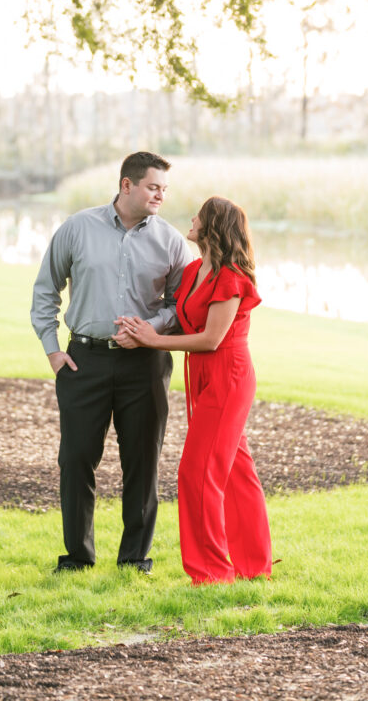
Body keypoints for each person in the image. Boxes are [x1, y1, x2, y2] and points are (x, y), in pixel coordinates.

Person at [31, 151, 189, 574]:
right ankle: (77, 558)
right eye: (153, 187)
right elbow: (46, 289)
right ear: (126, 186)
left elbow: (182, 305)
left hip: (146, 365)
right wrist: (53, 350)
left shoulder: (171, 240)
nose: (160, 195)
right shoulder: (79, 227)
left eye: (164, 190)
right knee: (76, 458)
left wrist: (149, 328)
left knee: (142, 461)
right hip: (84, 362)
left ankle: (135, 559)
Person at [119, 196, 272, 585]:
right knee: (236, 470)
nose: (192, 219)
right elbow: (180, 323)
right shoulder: (193, 272)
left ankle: (211, 574)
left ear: (213, 225)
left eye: (199, 216)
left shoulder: (231, 277)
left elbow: (210, 340)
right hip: (202, 374)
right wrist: (141, 329)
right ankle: (253, 566)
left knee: (196, 473)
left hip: (227, 374)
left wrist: (151, 341)